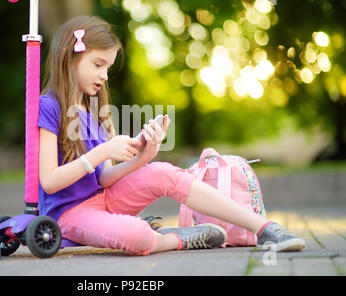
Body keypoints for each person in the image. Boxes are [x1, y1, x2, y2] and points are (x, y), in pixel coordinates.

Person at [38, 15, 306, 255]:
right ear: (70, 57)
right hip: (69, 214)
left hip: (105, 200)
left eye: (108, 67)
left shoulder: (95, 109)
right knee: (137, 236)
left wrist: (144, 156)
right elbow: (49, 182)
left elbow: (105, 179)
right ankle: (170, 239)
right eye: (98, 64)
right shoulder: (49, 106)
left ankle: (266, 228)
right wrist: (104, 151)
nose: (105, 75)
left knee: (164, 171)